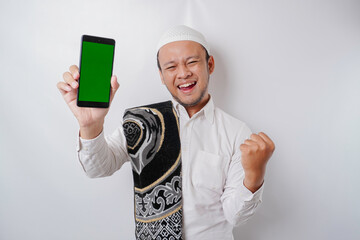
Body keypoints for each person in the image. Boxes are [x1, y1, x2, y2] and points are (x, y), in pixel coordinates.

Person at [57, 25, 275, 240]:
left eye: (192, 62)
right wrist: (90, 124)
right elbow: (98, 168)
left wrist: (254, 175)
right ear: (161, 75)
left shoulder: (236, 132)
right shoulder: (140, 122)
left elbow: (235, 215)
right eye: (171, 67)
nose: (183, 73)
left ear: (210, 64)